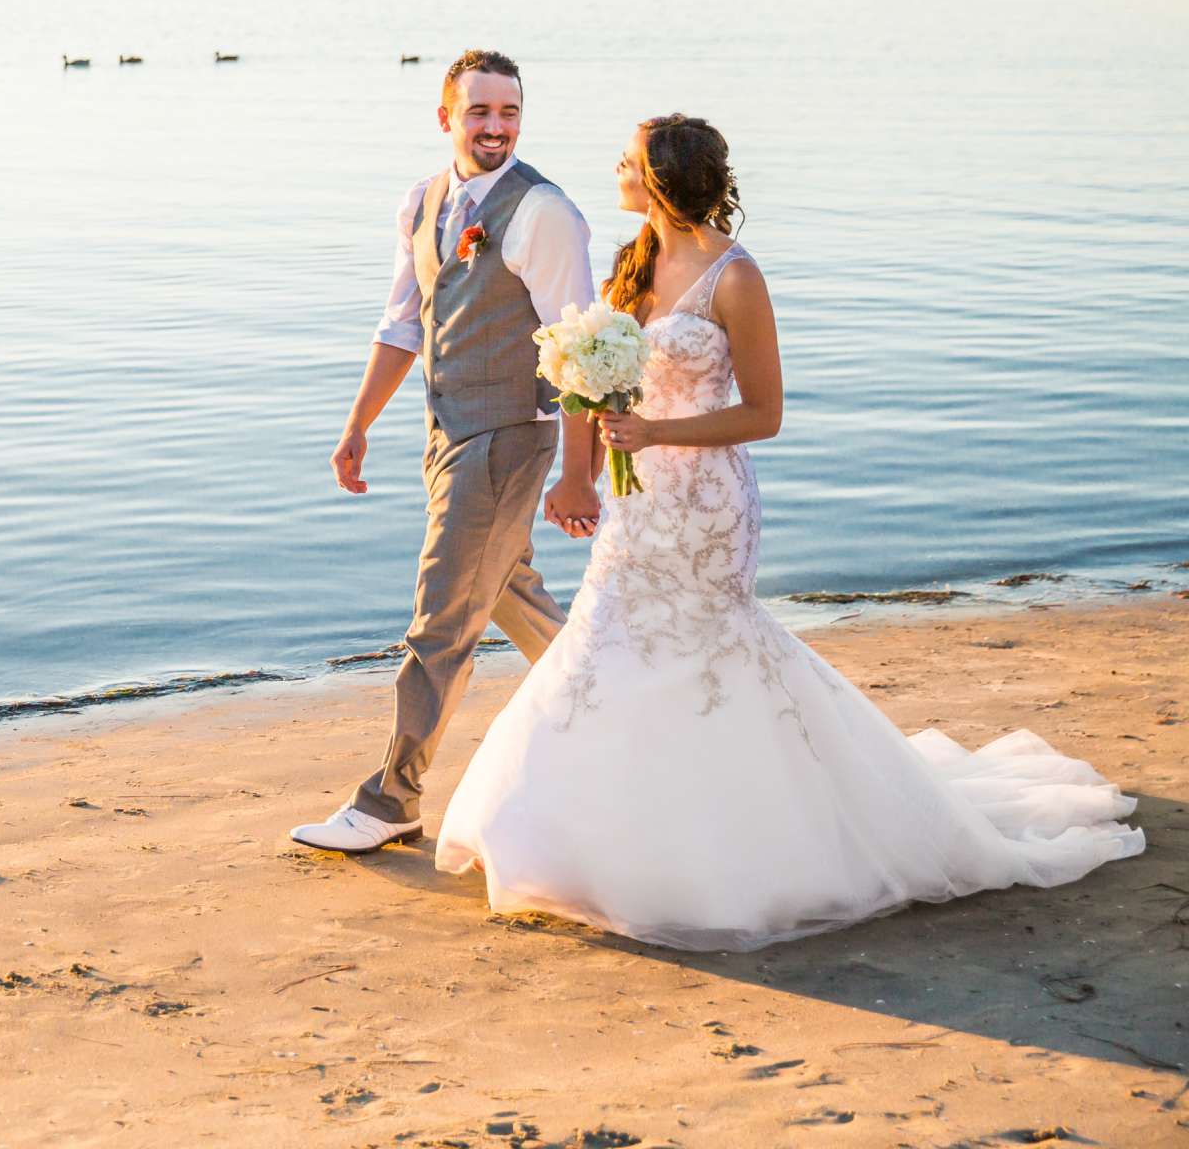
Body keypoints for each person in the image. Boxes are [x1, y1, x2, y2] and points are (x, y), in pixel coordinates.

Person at [430, 114, 1144, 950]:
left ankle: (736, 846)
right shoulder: (634, 263)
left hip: (709, 508)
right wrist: (579, 471)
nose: (615, 168)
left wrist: (656, 437)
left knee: (708, 653)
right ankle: (561, 836)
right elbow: (596, 384)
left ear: (660, 178)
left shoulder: (735, 277)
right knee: (598, 648)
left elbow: (764, 413)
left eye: (627, 159)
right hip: (638, 504)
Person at [289, 49, 602, 855]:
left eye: (509, 113)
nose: (496, 127)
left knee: (440, 620)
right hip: (444, 433)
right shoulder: (423, 202)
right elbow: (404, 323)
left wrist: (576, 473)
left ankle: (392, 797)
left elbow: (581, 355)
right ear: (446, 118)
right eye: (479, 112)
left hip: (507, 436)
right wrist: (358, 423)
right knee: (505, 593)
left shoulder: (545, 214)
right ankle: (615, 709)